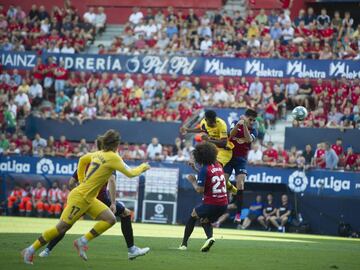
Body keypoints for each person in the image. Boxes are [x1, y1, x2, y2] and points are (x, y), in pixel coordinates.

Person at [22, 129, 150, 264]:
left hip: (89, 198)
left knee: (111, 219)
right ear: (116, 144)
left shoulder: (99, 153)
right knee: (61, 228)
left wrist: (82, 179)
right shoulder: (113, 157)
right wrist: (143, 167)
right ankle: (30, 250)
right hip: (80, 198)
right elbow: (131, 173)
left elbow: (82, 159)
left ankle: (82, 241)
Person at [179, 142, 228, 252]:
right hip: (223, 204)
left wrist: (192, 181)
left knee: (193, 215)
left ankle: (183, 244)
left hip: (211, 203)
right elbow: (208, 175)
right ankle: (210, 238)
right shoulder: (218, 165)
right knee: (205, 220)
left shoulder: (204, 169)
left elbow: (199, 190)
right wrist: (196, 169)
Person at [180, 110, 237, 194]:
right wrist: (188, 130)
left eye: (214, 122)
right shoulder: (204, 122)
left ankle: (234, 191)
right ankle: (234, 191)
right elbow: (201, 128)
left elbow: (224, 143)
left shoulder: (221, 124)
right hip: (213, 150)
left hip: (224, 151)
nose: (213, 124)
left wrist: (209, 140)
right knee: (212, 171)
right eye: (211, 122)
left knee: (214, 170)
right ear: (206, 120)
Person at [224, 109, 258, 223]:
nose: (252, 122)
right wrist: (239, 124)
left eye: (254, 120)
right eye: (250, 119)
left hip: (241, 160)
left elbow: (248, 140)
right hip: (229, 158)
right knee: (222, 182)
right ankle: (221, 205)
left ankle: (238, 214)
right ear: (245, 117)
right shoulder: (235, 122)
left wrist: (244, 126)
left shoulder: (254, 130)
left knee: (241, 183)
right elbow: (230, 134)